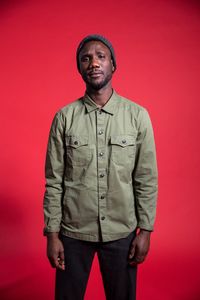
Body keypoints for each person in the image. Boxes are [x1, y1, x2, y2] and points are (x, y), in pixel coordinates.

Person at [43, 34, 158, 300]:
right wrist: (52, 234)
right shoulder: (64, 117)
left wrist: (146, 231)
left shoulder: (137, 116)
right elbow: (53, 180)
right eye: (86, 58)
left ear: (113, 65)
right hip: (73, 232)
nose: (93, 63)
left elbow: (146, 178)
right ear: (79, 68)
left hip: (122, 231)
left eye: (101, 57)